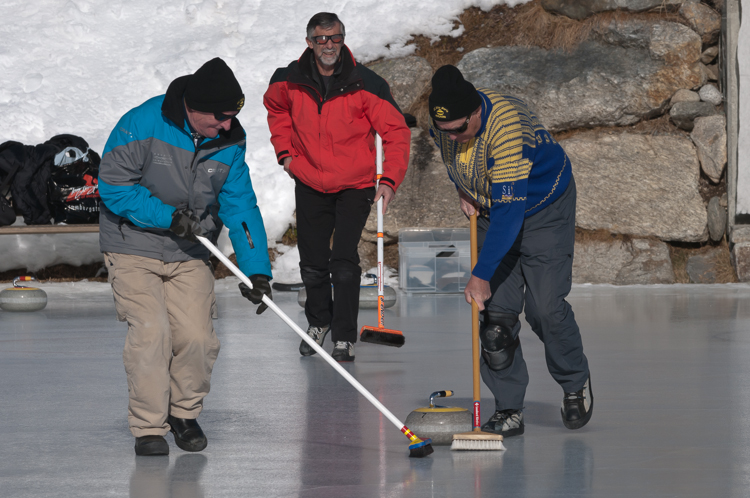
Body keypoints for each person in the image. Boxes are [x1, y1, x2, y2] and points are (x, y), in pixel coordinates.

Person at [98, 57, 273, 456]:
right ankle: (149, 427)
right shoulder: (142, 123)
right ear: (194, 109)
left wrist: (256, 271)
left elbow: (241, 208)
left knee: (198, 337)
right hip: (133, 243)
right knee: (151, 333)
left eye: (233, 116)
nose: (228, 125)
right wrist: (167, 216)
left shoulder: (229, 141)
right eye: (221, 117)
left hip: (191, 247)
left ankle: (183, 413)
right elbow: (113, 185)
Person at [428, 65, 592, 437]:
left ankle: (573, 381)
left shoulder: (507, 131)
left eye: (459, 130)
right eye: (444, 131)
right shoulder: (445, 121)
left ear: (475, 113)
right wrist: (462, 187)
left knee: (545, 308)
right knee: (495, 323)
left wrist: (481, 274)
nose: (452, 138)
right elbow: (453, 158)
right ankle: (509, 408)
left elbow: (510, 213)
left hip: (542, 208)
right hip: (492, 208)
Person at [263, 12, 410, 362]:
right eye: (321, 39)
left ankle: (344, 335)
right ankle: (319, 322)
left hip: (354, 185)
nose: (329, 45)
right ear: (309, 42)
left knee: (343, 263)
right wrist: (286, 155)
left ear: (343, 38)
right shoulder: (288, 79)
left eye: (336, 37)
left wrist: (389, 180)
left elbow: (396, 132)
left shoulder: (367, 83)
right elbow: (276, 110)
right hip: (310, 180)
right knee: (312, 262)